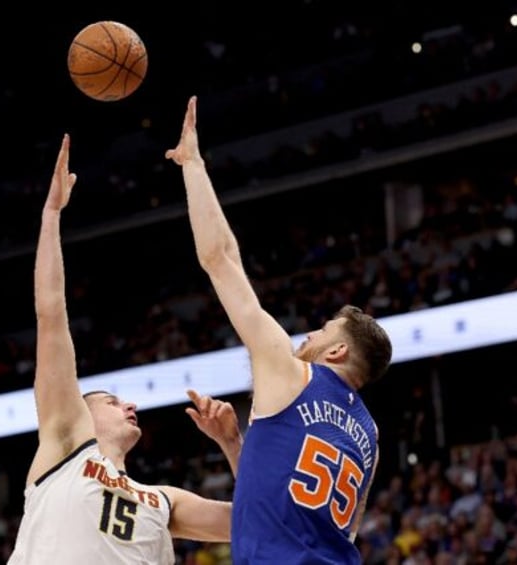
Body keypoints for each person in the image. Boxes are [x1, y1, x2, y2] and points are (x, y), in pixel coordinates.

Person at [165, 96, 393, 564]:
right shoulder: (368, 435)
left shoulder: (293, 374)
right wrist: (232, 443)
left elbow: (220, 258)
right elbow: (293, 516)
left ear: (338, 351)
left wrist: (192, 164)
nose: (308, 335)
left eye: (323, 329)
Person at [8, 133, 244, 564]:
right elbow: (51, 315)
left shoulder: (161, 500)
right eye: (112, 401)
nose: (128, 404)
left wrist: (231, 443)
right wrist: (52, 214)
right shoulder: (66, 444)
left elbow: (255, 521)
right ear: (83, 413)